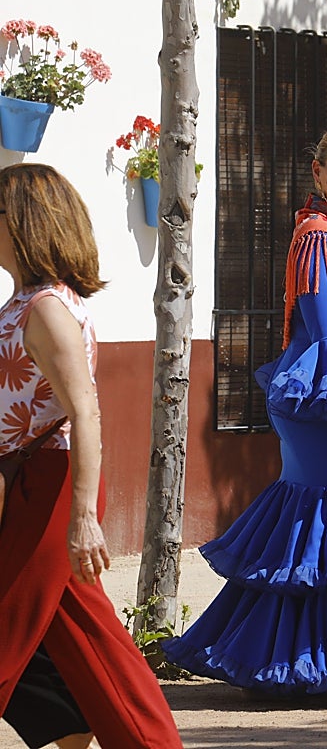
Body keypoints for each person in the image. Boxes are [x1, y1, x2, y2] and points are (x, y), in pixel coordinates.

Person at [163, 123, 327, 695]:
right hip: (324, 396)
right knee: (326, 519)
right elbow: (325, 323)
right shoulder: (316, 235)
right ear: (318, 173)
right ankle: (296, 660)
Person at [0, 163, 183, 747]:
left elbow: (86, 412)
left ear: (24, 223)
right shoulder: (31, 300)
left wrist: (82, 519)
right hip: (35, 482)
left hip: (49, 484)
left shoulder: (46, 307)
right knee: (85, 630)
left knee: (7, 627)